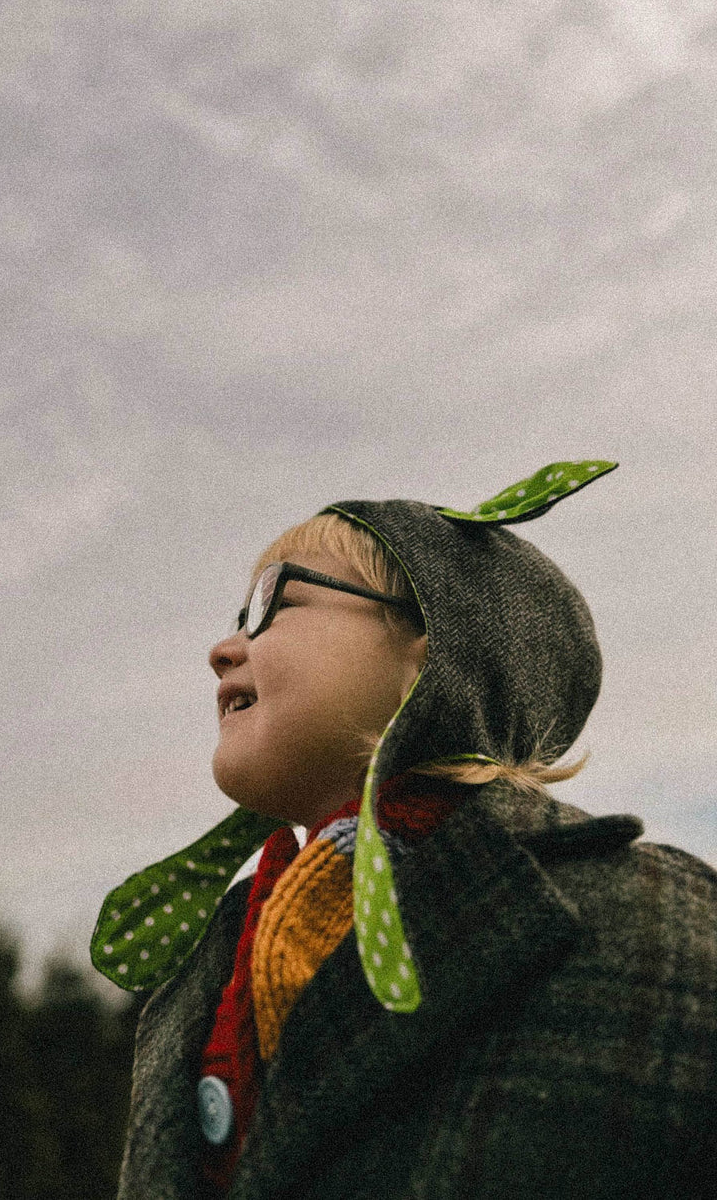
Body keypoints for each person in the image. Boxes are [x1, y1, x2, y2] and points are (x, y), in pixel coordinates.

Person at [91, 459, 717, 1199]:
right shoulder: (215, 966)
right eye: (234, 620)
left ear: (431, 643)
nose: (223, 649)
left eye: (267, 605)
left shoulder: (659, 925)